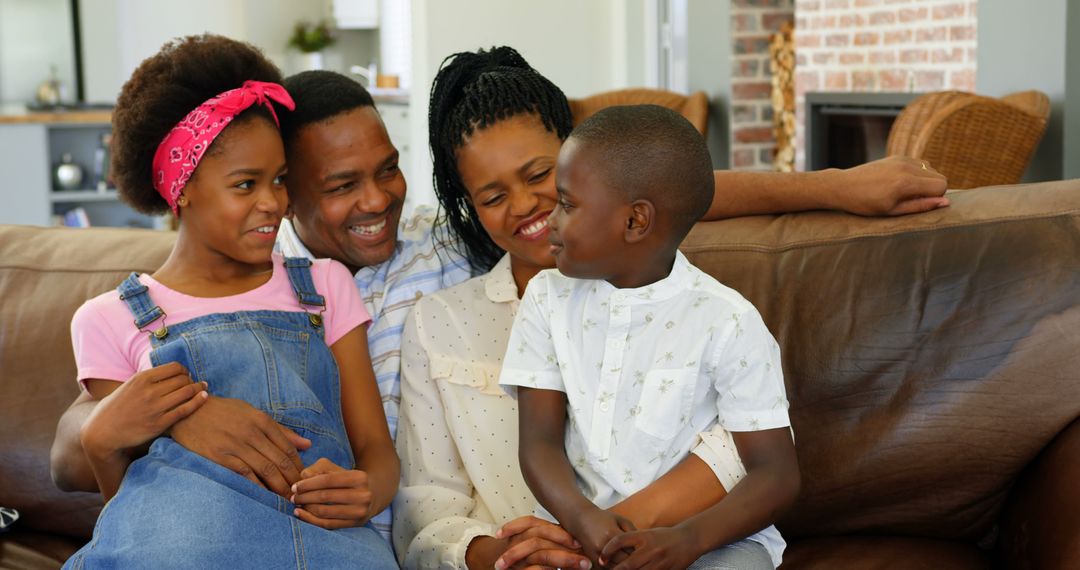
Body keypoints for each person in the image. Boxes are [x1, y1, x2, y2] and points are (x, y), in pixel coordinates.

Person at [52, 45, 944, 562]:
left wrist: (837, 184)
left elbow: (653, 187)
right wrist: (136, 427)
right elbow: (86, 424)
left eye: (389, 169)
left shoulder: (447, 242)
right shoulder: (262, 271)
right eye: (334, 184)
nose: (375, 200)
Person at [394, 46, 945, 570]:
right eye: (491, 198)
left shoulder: (707, 307)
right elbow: (427, 512)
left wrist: (836, 188)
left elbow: (680, 186)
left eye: (545, 179)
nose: (528, 207)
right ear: (468, 206)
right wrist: (501, 555)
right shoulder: (443, 319)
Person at [61, 35, 397, 568]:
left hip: (325, 543)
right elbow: (119, 483)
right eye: (246, 185)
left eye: (280, 180)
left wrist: (368, 491)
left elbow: (376, 450)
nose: (274, 203)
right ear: (182, 189)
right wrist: (126, 426)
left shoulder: (325, 285)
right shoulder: (113, 317)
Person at [500, 104, 798, 569]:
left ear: (635, 221)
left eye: (567, 203)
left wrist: (687, 541)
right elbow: (538, 443)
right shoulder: (546, 299)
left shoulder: (728, 321)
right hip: (580, 530)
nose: (550, 219)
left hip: (709, 542)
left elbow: (776, 474)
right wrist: (583, 520)